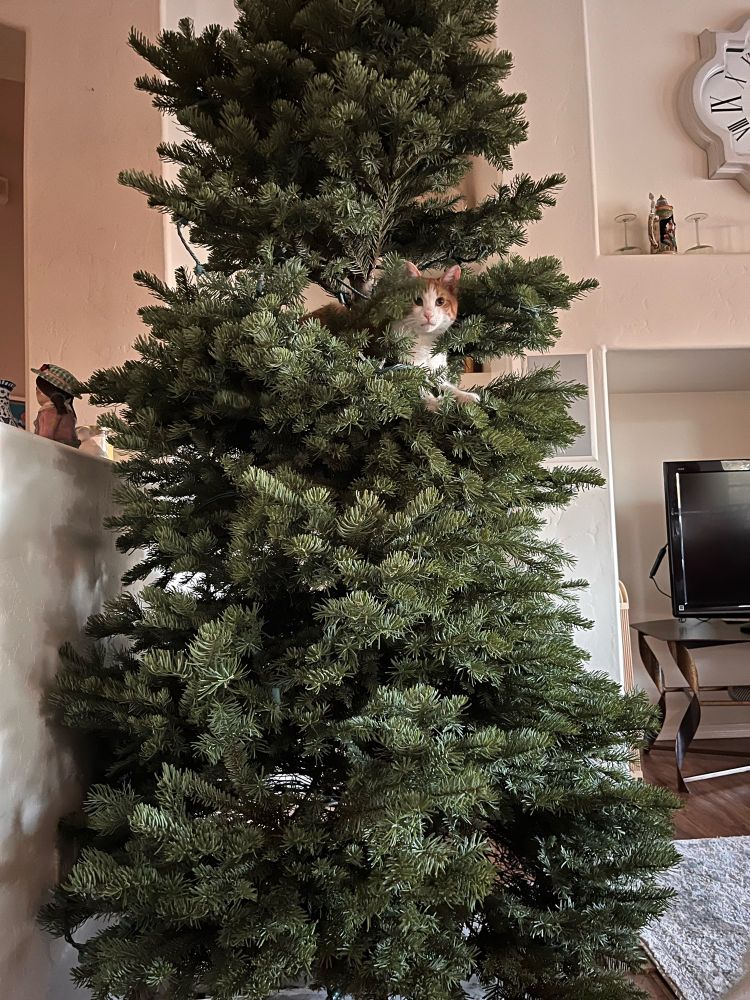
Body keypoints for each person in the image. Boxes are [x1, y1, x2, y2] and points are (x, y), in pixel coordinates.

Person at [31, 363, 83, 448]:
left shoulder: (48, 411)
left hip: (53, 453)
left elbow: (45, 437)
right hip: (68, 452)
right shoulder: (67, 412)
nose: (37, 393)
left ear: (45, 391)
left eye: (37, 389)